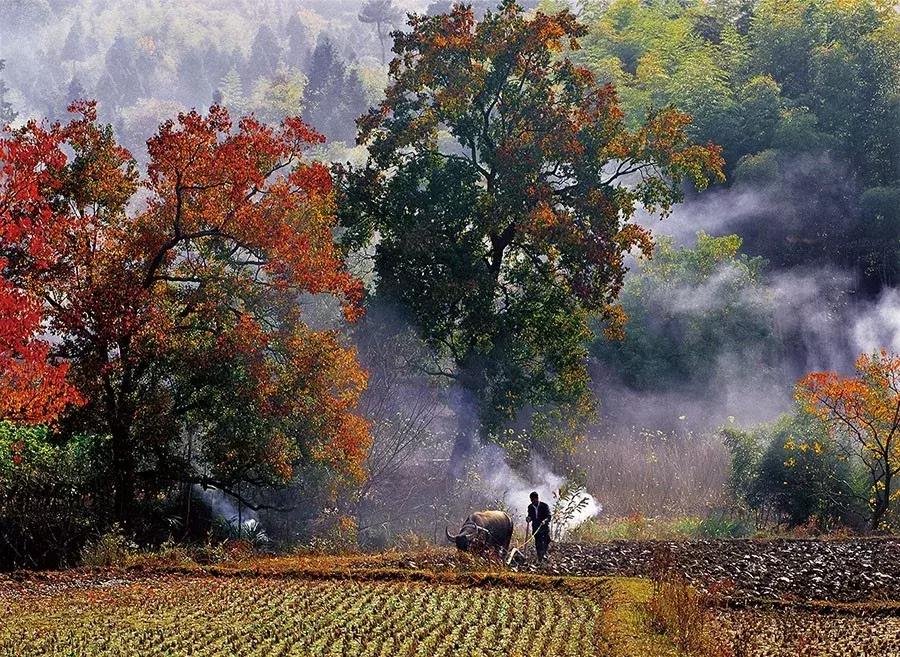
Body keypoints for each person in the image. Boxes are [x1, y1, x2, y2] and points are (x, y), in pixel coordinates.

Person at [526, 491, 551, 562]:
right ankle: (540, 558)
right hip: (536, 528)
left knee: (546, 541)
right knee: (538, 543)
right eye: (531, 500)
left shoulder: (544, 506)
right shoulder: (530, 507)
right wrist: (528, 518)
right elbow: (530, 516)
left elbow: (549, 516)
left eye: (533, 500)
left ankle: (544, 554)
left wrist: (544, 521)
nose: (532, 501)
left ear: (537, 498)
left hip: (544, 527)